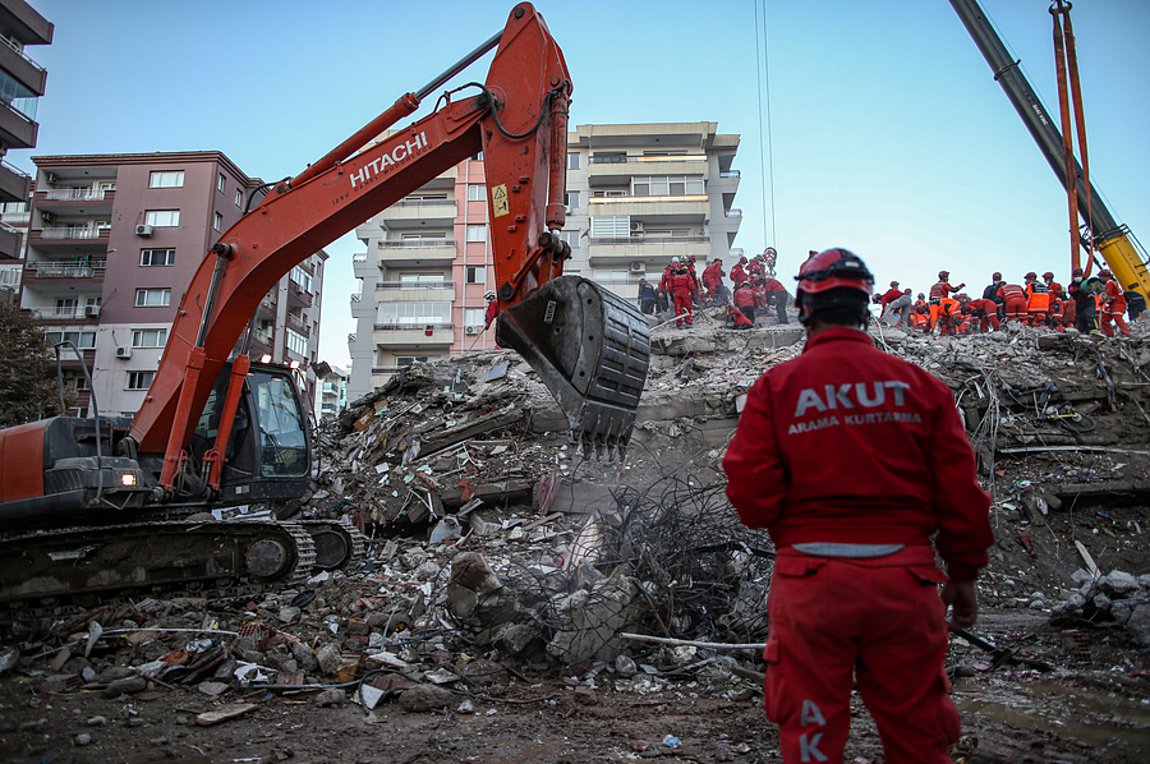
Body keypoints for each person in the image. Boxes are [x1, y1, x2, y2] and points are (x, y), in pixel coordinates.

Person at [724, 248, 993, 764]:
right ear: (866, 306)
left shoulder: (778, 388)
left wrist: (795, 526)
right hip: (905, 585)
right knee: (920, 734)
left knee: (810, 737)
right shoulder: (922, 388)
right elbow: (963, 494)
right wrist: (964, 572)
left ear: (804, 306)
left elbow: (750, 491)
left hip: (810, 586)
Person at [1098, 270, 1131, 337]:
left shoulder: (1109, 283)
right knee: (1104, 319)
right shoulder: (1111, 282)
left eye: (1100, 277)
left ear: (1104, 277)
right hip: (1113, 304)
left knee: (1117, 317)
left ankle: (1126, 334)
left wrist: (1102, 301)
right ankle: (1110, 335)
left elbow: (1108, 295)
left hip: (1118, 303)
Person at [1067, 267, 1098, 334]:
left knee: (1089, 315)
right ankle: (1084, 332)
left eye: (1079, 276)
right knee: (1080, 319)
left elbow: (1096, 289)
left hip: (1089, 301)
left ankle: (1094, 330)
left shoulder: (1088, 283)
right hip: (1079, 303)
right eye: (1076, 276)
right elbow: (1072, 292)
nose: (1077, 277)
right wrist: (1080, 290)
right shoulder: (1072, 286)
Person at [668, 263, 697, 327]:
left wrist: (671, 296)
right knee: (687, 307)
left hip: (677, 293)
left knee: (678, 308)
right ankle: (688, 321)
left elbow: (669, 287)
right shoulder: (687, 276)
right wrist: (693, 294)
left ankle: (679, 323)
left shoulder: (674, 277)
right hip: (685, 293)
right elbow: (691, 286)